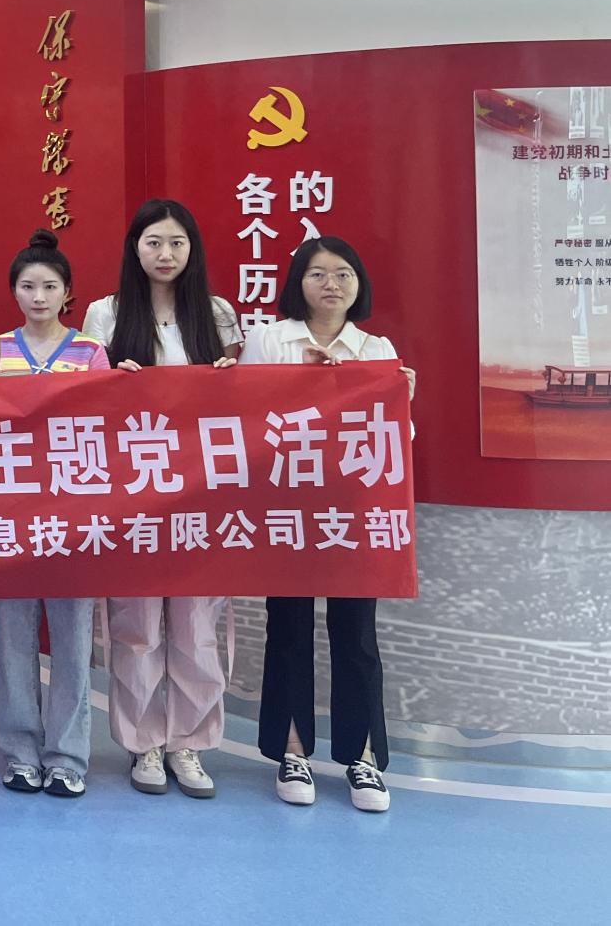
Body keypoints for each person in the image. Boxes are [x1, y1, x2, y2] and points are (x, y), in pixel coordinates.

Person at [241, 235, 414, 813]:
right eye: (317, 273)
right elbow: (242, 417)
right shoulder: (269, 340)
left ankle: (361, 757)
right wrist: (307, 388)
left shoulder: (375, 347)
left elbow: (395, 442)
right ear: (298, 282)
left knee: (357, 631)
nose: (331, 284)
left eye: (343, 273)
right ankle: (293, 751)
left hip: (354, 510)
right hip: (287, 505)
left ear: (358, 283)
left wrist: (400, 400)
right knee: (288, 626)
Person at [82, 198, 243, 800]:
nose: (165, 253)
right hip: (134, 492)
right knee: (137, 623)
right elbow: (82, 400)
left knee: (197, 624)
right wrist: (110, 383)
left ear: (192, 249)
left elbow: (246, 404)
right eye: (153, 242)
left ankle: (189, 744)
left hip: (202, 492)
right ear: (135, 249)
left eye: (177, 242)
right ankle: (142, 741)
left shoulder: (218, 314)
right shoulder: (106, 313)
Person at [0, 230, 110, 799]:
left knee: (73, 641)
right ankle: (21, 752)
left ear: (67, 292)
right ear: (14, 292)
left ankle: (68, 757)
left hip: (72, 518)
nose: (38, 296)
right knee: (13, 638)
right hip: (10, 515)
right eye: (28, 286)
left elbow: (105, 425)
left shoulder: (92, 353)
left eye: (50, 286)